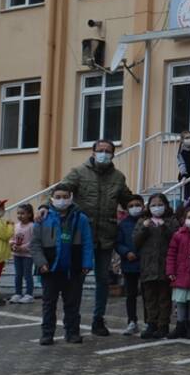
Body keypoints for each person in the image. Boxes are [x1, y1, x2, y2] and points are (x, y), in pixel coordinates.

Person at [63, 138, 133, 336]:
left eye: (108, 150)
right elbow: (61, 190)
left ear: (113, 154)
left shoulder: (118, 177)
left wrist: (144, 208)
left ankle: (98, 320)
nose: (104, 153)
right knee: (77, 279)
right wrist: (45, 207)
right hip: (81, 237)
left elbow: (128, 199)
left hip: (106, 237)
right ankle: (72, 323)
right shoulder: (78, 172)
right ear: (93, 152)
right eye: (100, 150)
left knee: (103, 279)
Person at [29, 184, 93, 345]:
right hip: (49, 268)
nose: (62, 200)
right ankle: (47, 334)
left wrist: (87, 263)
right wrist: (41, 262)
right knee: (49, 303)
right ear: (51, 198)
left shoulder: (81, 219)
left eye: (65, 196)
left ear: (71, 197)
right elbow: (35, 244)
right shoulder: (42, 218)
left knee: (72, 303)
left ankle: (72, 333)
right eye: (58, 197)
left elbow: (87, 242)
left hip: (74, 268)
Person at [133, 193, 178, 340]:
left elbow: (175, 238)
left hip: (165, 265)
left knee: (164, 297)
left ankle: (163, 325)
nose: (157, 208)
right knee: (150, 297)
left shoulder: (171, 221)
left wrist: (164, 227)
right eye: (153, 205)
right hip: (148, 266)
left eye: (160, 204)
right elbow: (135, 242)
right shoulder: (143, 221)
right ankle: (151, 323)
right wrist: (144, 229)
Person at [167, 207, 190, 339]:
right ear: (184, 219)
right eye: (189, 217)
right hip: (180, 274)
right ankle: (180, 325)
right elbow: (171, 254)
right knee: (181, 302)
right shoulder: (178, 235)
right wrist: (170, 271)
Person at [115, 196, 144, 334]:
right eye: (131, 205)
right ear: (127, 209)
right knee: (130, 294)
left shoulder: (147, 222)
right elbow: (118, 243)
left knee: (148, 295)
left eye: (137, 205)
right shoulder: (123, 224)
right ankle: (132, 321)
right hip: (129, 264)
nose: (135, 208)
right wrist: (126, 253)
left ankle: (150, 322)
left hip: (146, 264)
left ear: (143, 206)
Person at [9, 203, 37, 304]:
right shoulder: (15, 226)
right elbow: (11, 238)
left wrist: (22, 248)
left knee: (27, 274)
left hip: (28, 255)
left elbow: (34, 241)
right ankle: (18, 293)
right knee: (18, 275)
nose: (20, 215)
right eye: (18, 213)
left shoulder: (32, 226)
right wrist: (12, 245)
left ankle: (29, 294)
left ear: (29, 214)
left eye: (22, 213)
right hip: (17, 255)